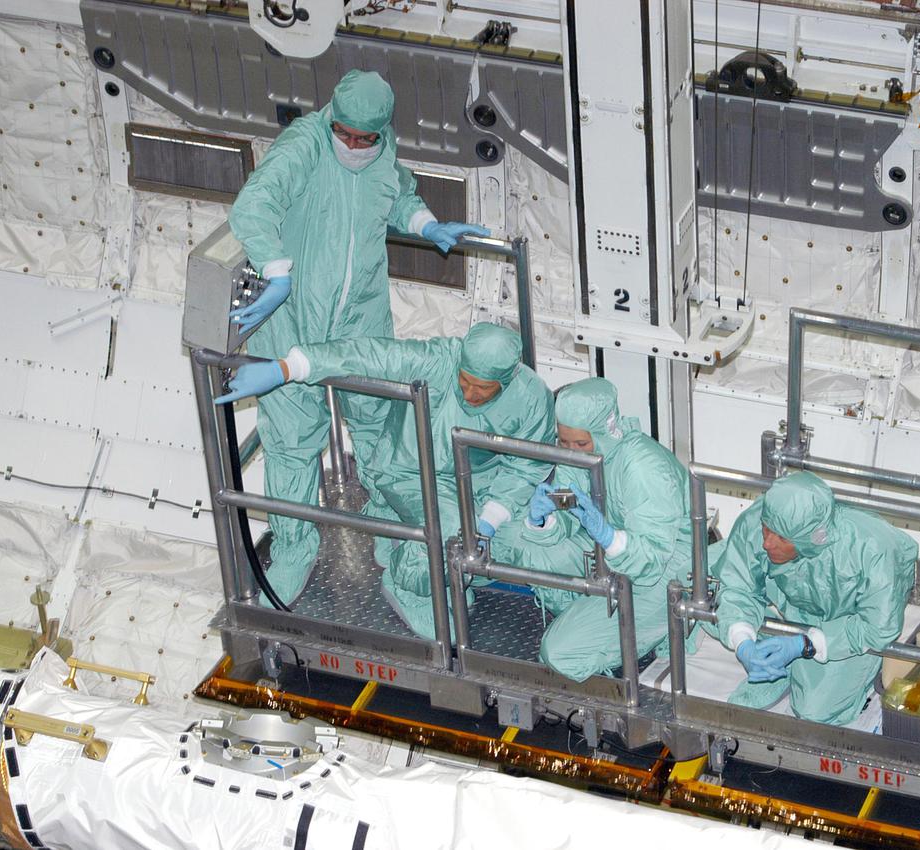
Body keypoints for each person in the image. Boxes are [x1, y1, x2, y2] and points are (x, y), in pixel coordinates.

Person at [225, 68, 488, 607]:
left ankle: (391, 530)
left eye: (364, 138)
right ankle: (295, 549)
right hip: (292, 314)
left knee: (379, 427)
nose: (352, 145)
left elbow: (399, 194)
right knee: (293, 442)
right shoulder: (304, 144)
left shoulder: (383, 151)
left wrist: (426, 224)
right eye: (342, 133)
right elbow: (254, 205)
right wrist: (276, 270)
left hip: (361, 315)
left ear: (382, 131)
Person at [216, 323, 553, 633]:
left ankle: (434, 568)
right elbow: (369, 355)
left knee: (520, 543)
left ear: (507, 380)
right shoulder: (440, 361)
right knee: (450, 530)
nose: (469, 394)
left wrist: (491, 518)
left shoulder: (531, 398)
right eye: (464, 381)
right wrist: (289, 367)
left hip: (479, 485)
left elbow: (527, 467)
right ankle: (409, 587)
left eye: (482, 388)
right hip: (410, 472)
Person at [489, 378, 691, 682]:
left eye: (581, 444)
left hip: (666, 571)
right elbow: (570, 510)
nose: (572, 452)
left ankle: (657, 628)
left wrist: (608, 537)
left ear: (604, 430)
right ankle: (588, 619)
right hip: (613, 551)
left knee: (559, 653)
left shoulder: (643, 467)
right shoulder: (580, 454)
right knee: (515, 538)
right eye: (564, 442)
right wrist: (543, 520)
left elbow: (651, 559)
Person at [710, 471, 917, 726]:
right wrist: (743, 642)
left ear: (811, 538)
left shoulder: (874, 551)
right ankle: (774, 657)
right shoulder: (761, 519)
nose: (768, 543)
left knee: (814, 711)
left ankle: (859, 666)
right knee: (709, 595)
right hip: (795, 595)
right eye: (767, 529)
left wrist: (807, 644)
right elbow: (738, 585)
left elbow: (877, 627)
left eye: (781, 538)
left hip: (848, 618)